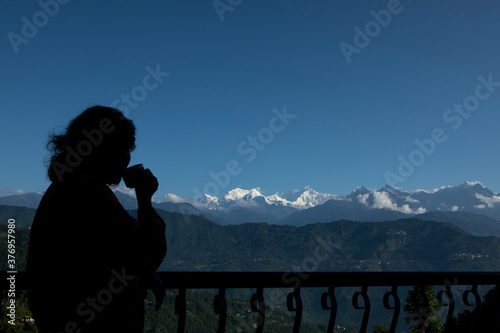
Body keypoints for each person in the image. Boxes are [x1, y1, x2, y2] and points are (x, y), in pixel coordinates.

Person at [26, 106, 167, 333]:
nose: (126, 157)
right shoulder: (89, 192)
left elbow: (104, 253)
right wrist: (145, 199)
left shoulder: (64, 187)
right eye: (120, 148)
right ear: (100, 149)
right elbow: (148, 251)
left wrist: (140, 271)